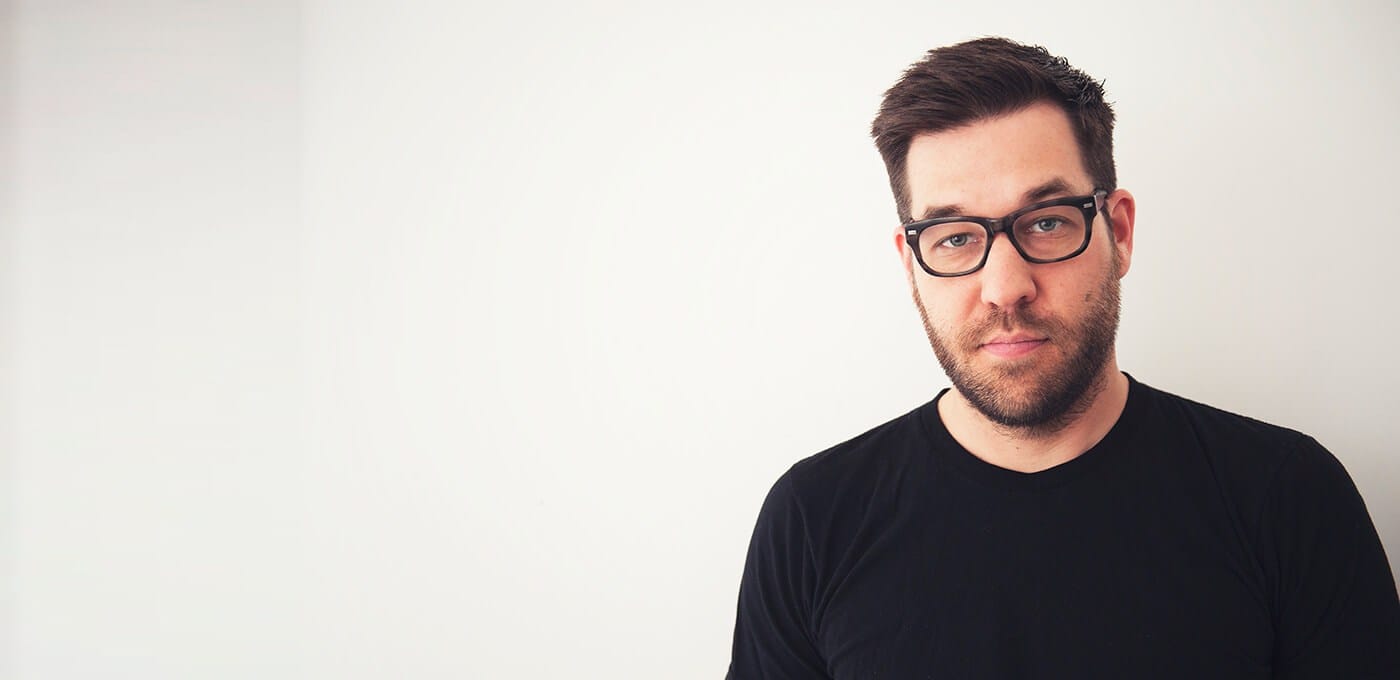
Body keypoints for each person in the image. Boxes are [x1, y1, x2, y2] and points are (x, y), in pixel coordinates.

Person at [725, 37, 1400, 679]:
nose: (1005, 287)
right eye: (954, 237)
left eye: (1047, 222)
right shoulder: (812, 521)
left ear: (1119, 232)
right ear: (911, 265)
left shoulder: (1288, 497)